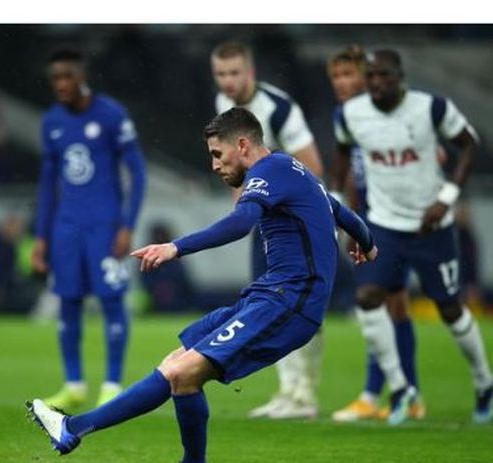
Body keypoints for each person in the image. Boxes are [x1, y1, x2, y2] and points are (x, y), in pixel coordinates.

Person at [27, 107, 392, 463]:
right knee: (178, 368)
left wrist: (175, 247)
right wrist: (367, 242)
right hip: (268, 296)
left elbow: (241, 222)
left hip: (289, 302)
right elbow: (340, 211)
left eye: (218, 154)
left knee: (182, 372)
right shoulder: (292, 171)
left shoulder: (269, 171)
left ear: (244, 145)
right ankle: (85, 431)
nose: (215, 165)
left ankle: (73, 428)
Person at [332, 49, 492, 424]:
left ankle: (484, 382)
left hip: (431, 227)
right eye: (370, 76)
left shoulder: (431, 108)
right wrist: (340, 208)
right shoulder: (351, 114)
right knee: (368, 298)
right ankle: (401, 388)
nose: (376, 83)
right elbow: (340, 157)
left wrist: (447, 196)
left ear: (400, 76)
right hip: (384, 226)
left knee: (450, 310)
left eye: (384, 75)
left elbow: (469, 142)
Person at [211, 40, 324, 419]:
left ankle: (305, 393)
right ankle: (288, 390)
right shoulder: (223, 108)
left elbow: (311, 166)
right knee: (268, 300)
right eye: (221, 74)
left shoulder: (279, 108)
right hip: (263, 221)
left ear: (251, 73)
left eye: (234, 73)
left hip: (297, 222)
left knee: (299, 301)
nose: (227, 82)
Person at [31, 48, 147, 410]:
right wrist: (41, 236)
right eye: (55, 79)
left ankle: (112, 383)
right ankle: (74, 384)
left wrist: (127, 224)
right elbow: (48, 182)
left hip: (104, 226)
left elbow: (138, 173)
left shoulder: (111, 115)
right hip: (66, 227)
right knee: (67, 301)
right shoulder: (51, 121)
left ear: (81, 76)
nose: (61, 84)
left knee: (112, 300)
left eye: (67, 76)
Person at [327, 45, 425, 422]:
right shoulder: (347, 118)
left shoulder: (385, 116)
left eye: (349, 75)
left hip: (386, 218)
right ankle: (408, 395)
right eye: (336, 77)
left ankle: (376, 393)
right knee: (391, 304)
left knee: (376, 303)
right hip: (369, 216)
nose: (342, 83)